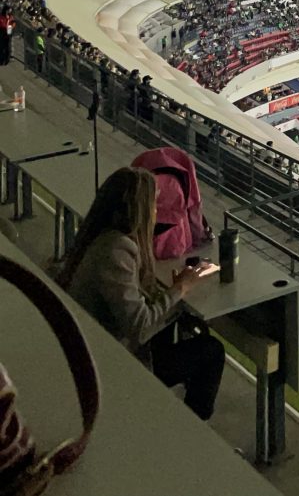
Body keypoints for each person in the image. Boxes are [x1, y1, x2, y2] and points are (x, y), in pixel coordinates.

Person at [56, 167, 223, 419]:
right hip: (110, 361)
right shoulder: (117, 250)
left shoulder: (101, 237)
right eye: (154, 206)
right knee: (211, 351)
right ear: (140, 211)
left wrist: (174, 299)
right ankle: (191, 430)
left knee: (177, 323)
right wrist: (180, 288)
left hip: (92, 345)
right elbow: (138, 326)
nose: (157, 213)